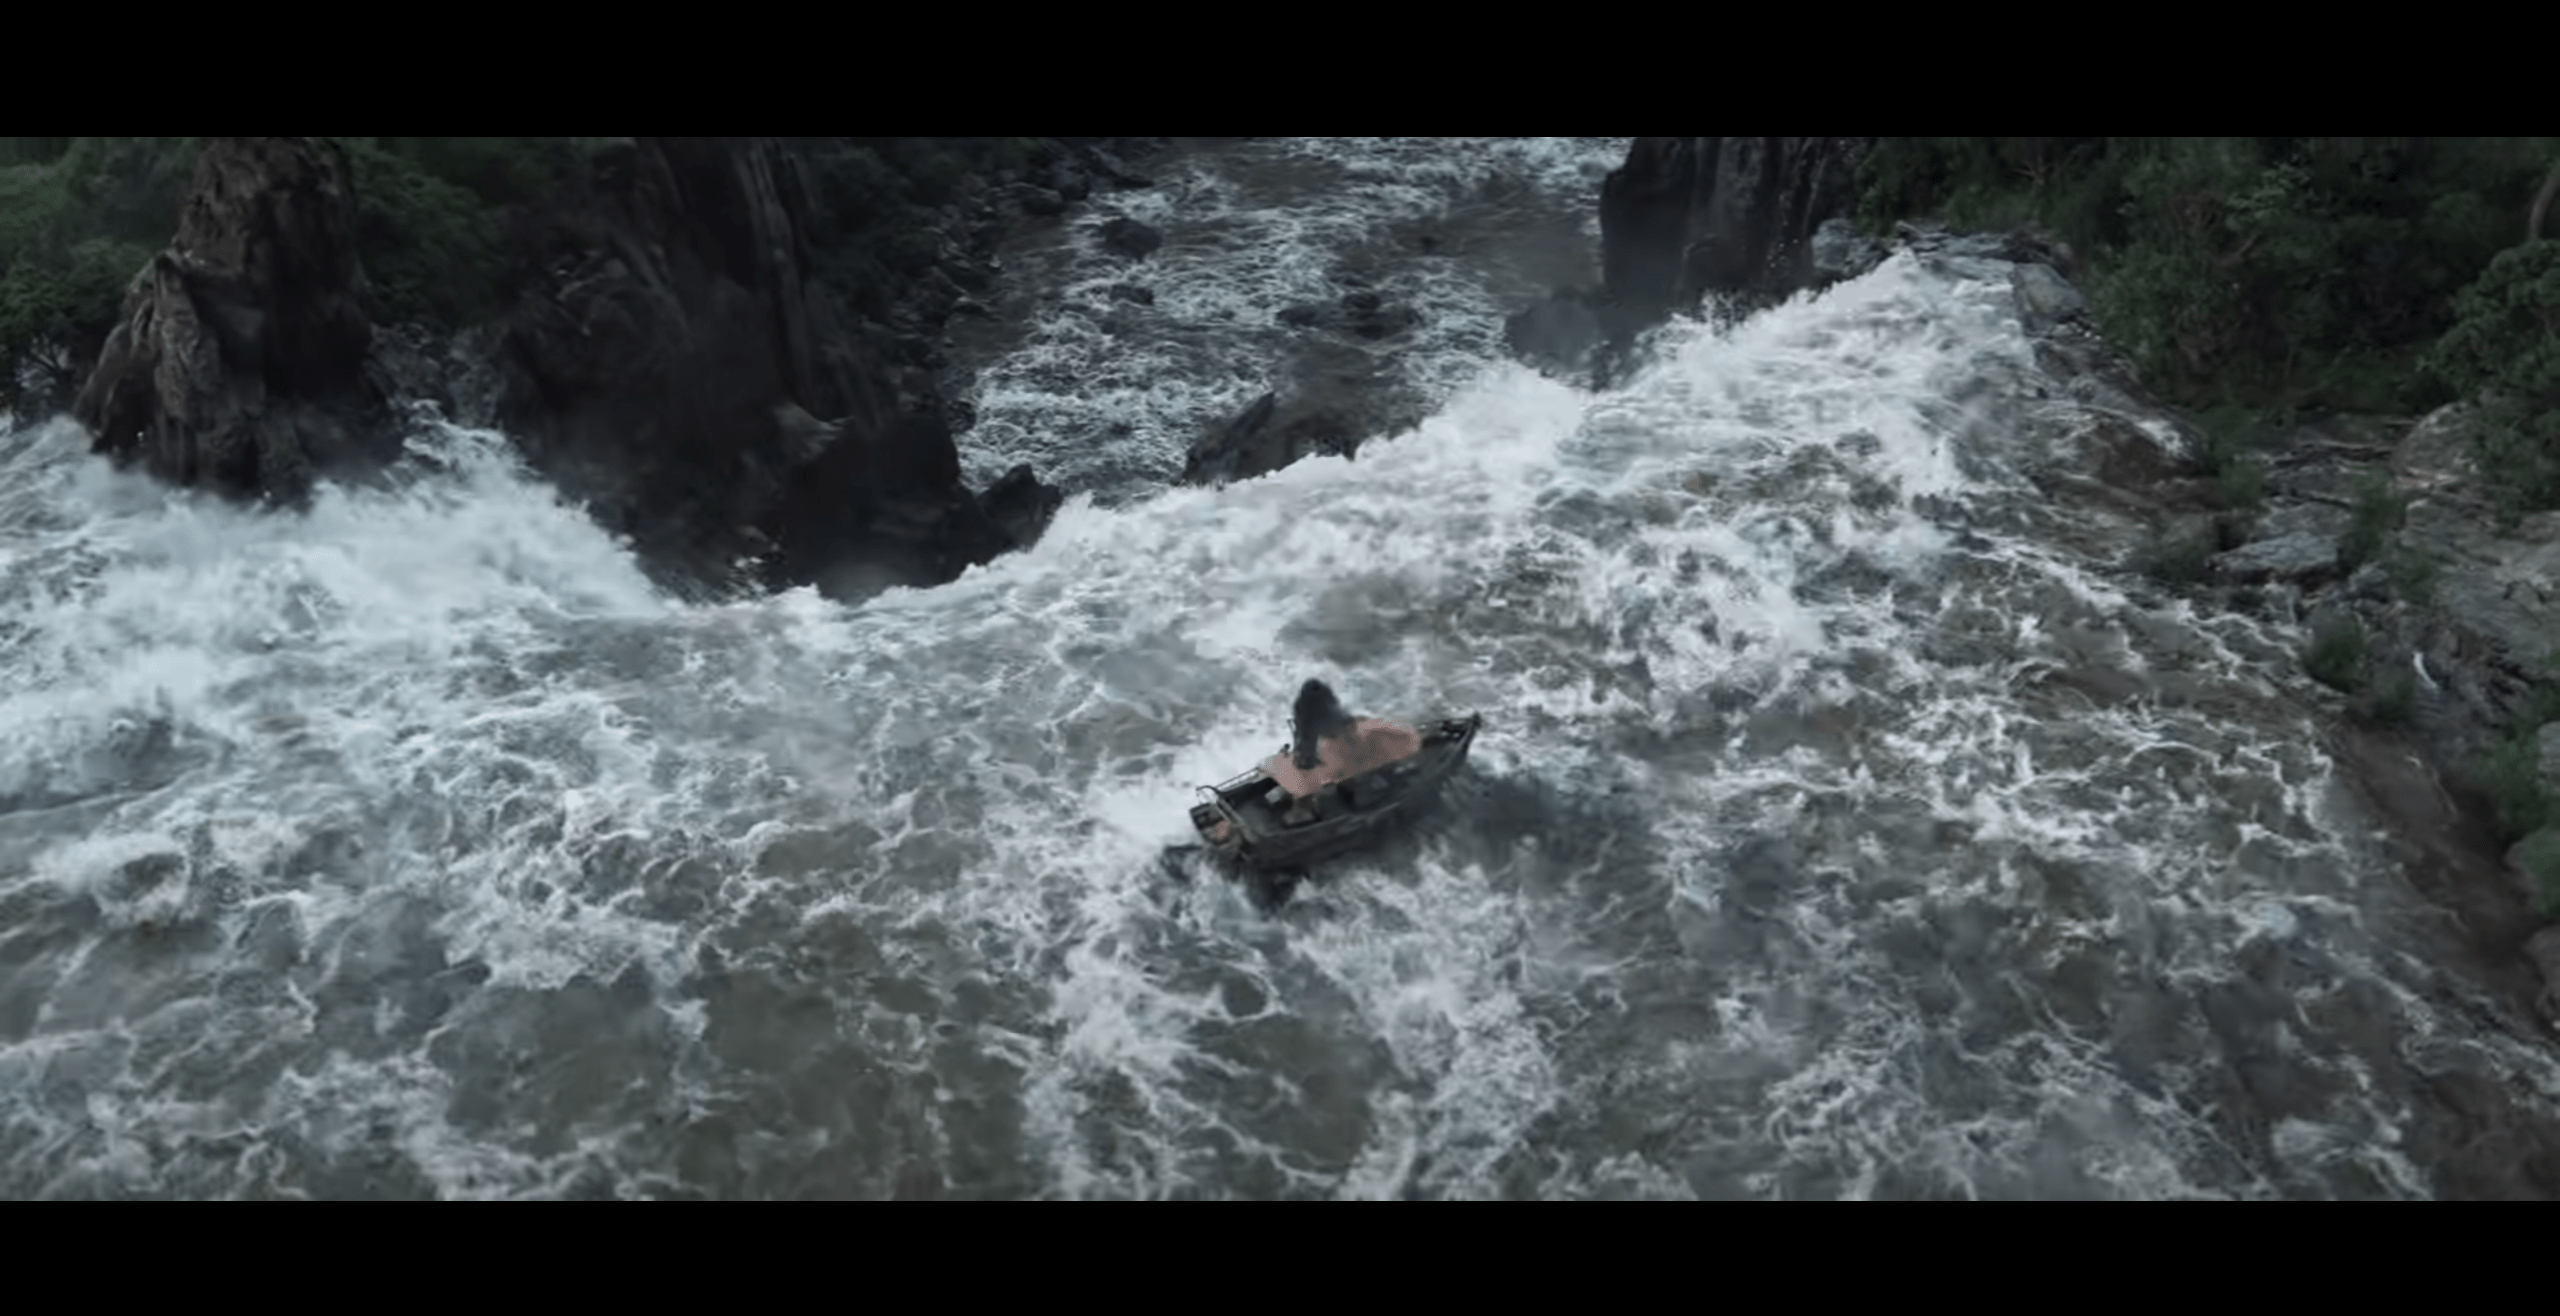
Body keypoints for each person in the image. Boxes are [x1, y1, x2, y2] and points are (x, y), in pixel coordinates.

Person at [1291, 678, 1358, 771]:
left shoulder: (1324, 693)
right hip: (1312, 725)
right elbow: (1303, 729)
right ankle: (1307, 758)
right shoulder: (1301, 706)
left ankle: (1353, 745)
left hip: (1328, 721)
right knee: (1307, 736)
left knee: (1346, 723)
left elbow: (1335, 704)